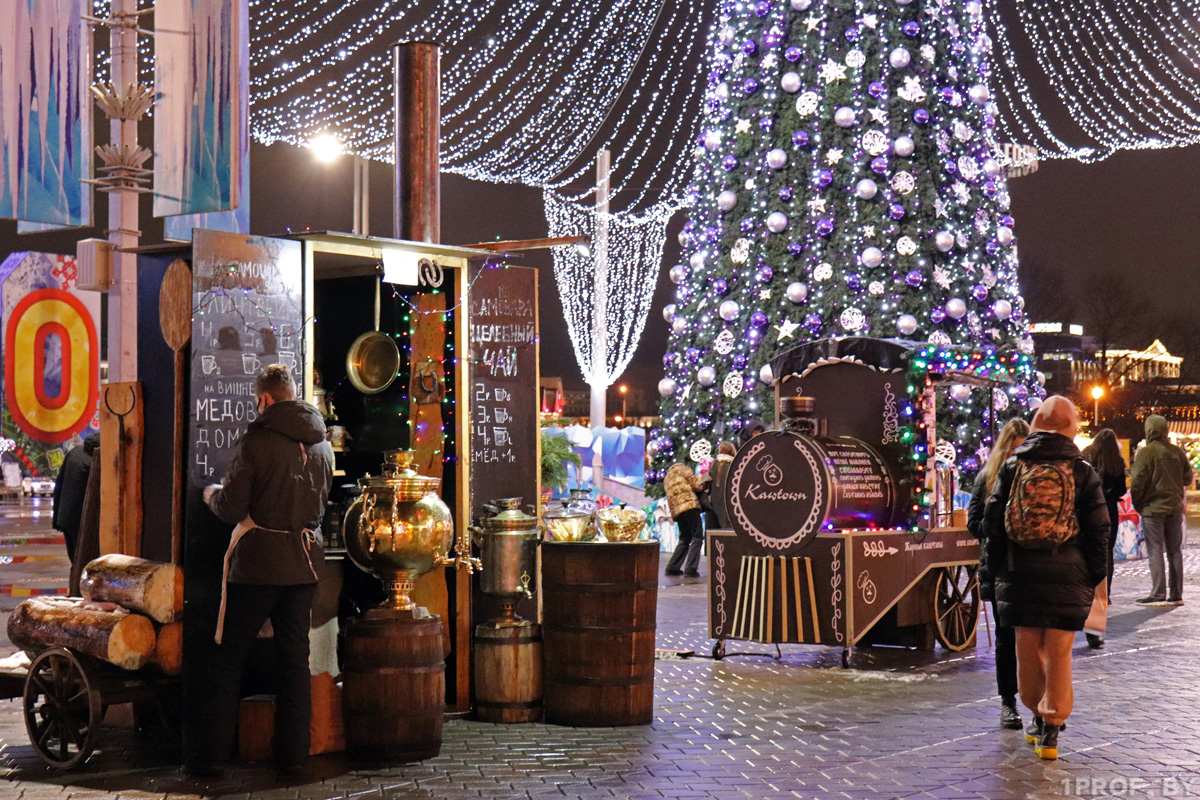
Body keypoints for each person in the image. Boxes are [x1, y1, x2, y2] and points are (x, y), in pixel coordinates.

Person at [184, 365, 333, 777]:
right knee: (293, 661)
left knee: (229, 658)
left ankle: (211, 758)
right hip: (304, 565)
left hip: (258, 566)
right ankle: (293, 759)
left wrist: (212, 494)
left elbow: (232, 507)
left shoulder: (256, 441)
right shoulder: (323, 445)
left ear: (265, 399)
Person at [983, 396, 1108, 760]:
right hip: (1068, 572)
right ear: (1070, 427)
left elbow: (992, 526)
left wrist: (994, 571)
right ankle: (1052, 727)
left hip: (1018, 573)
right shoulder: (1082, 470)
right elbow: (1099, 530)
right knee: (1058, 651)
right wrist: (1094, 577)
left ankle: (1035, 713)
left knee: (1027, 649)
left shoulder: (1012, 467)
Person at [966, 417, 1029, 730]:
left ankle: (1039, 702)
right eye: (1012, 451)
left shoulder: (1032, 476)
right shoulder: (987, 477)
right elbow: (973, 520)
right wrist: (995, 532)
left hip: (1029, 567)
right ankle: (1008, 701)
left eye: (1022, 450)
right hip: (1000, 565)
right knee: (1006, 638)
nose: (1016, 458)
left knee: (1032, 637)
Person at [1130, 414, 1193, 607]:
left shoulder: (1146, 453)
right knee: (1175, 551)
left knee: (1155, 549)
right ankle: (1176, 594)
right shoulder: (1177, 452)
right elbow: (1188, 478)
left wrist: (1138, 503)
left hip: (1152, 508)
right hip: (1174, 507)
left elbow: (1137, 482)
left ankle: (1158, 592)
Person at [1081, 429, 1127, 608]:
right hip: (1109, 509)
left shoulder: (1087, 454)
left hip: (1089, 507)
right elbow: (1122, 490)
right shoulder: (1117, 461)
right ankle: (1104, 594)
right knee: (1107, 551)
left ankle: (1088, 591)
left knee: (1087, 548)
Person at [51, 432, 99, 564]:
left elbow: (59, 486)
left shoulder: (75, 453)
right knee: (88, 565)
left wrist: (57, 519)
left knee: (76, 562)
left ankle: (76, 583)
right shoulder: (98, 459)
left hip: (66, 517)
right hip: (85, 521)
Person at [663, 460, 709, 578]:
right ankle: (691, 568)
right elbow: (697, 486)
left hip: (677, 511)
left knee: (684, 538)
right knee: (697, 536)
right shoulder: (685, 469)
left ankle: (672, 567)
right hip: (689, 506)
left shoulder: (667, 477)